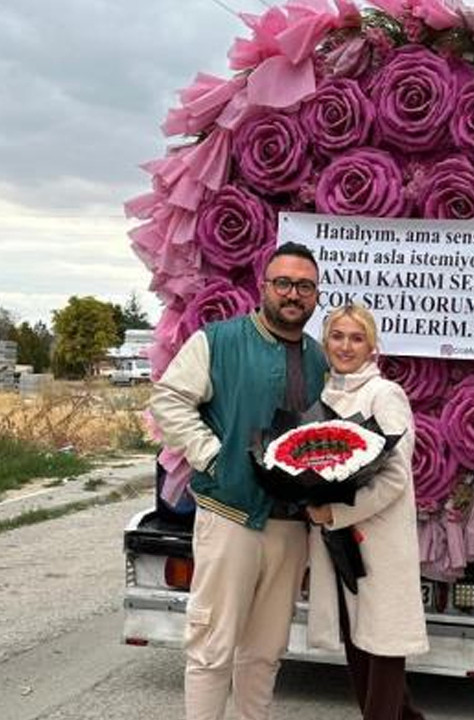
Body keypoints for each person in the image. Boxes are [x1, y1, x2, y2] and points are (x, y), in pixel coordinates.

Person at [150, 242, 329, 720]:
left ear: (316, 296)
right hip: (231, 515)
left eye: (305, 286)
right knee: (212, 646)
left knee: (265, 653)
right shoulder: (218, 341)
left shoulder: (319, 359)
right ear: (264, 287)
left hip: (290, 526)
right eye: (284, 283)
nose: (293, 294)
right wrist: (214, 458)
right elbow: (168, 400)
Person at [306, 303, 429, 720]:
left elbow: (395, 477)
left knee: (384, 647)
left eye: (357, 338)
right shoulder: (323, 396)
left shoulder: (385, 394)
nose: (346, 346)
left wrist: (335, 513)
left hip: (378, 543)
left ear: (372, 346)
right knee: (358, 648)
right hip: (338, 544)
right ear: (325, 343)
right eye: (338, 336)